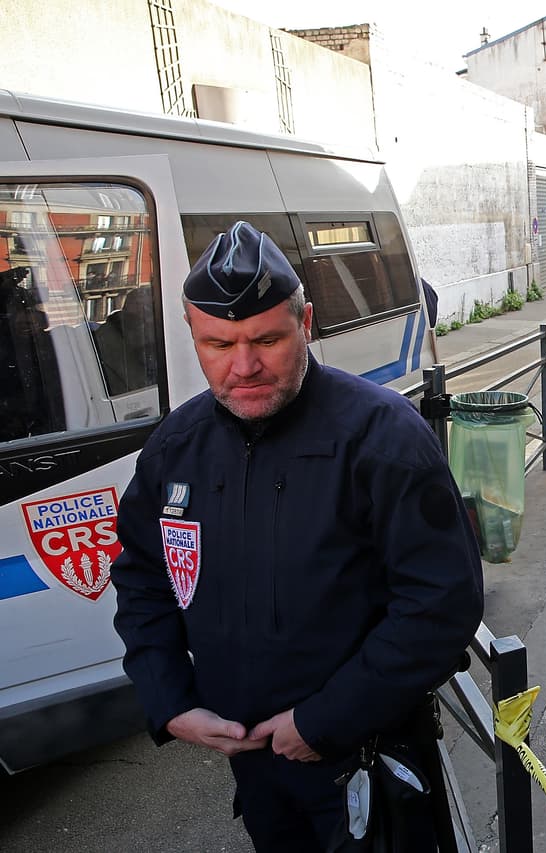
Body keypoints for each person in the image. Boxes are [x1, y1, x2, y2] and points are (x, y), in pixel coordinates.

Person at [111, 221, 484, 852]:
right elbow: (143, 579)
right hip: (257, 770)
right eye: (219, 344)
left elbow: (440, 604)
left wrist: (322, 721)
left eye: (266, 339)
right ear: (192, 336)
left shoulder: (382, 437)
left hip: (372, 764)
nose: (244, 365)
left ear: (305, 323)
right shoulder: (175, 448)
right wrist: (169, 699)